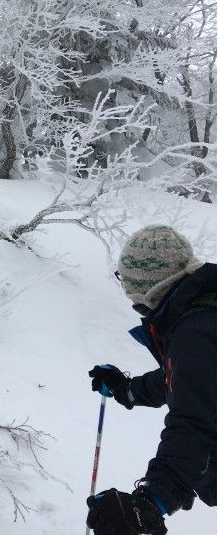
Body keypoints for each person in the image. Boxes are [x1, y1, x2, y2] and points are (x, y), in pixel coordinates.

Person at [86, 225, 216, 535]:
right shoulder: (205, 312)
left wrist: (151, 501)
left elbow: (196, 423)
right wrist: (126, 390)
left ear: (148, 289)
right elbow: (185, 379)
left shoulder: (196, 332)